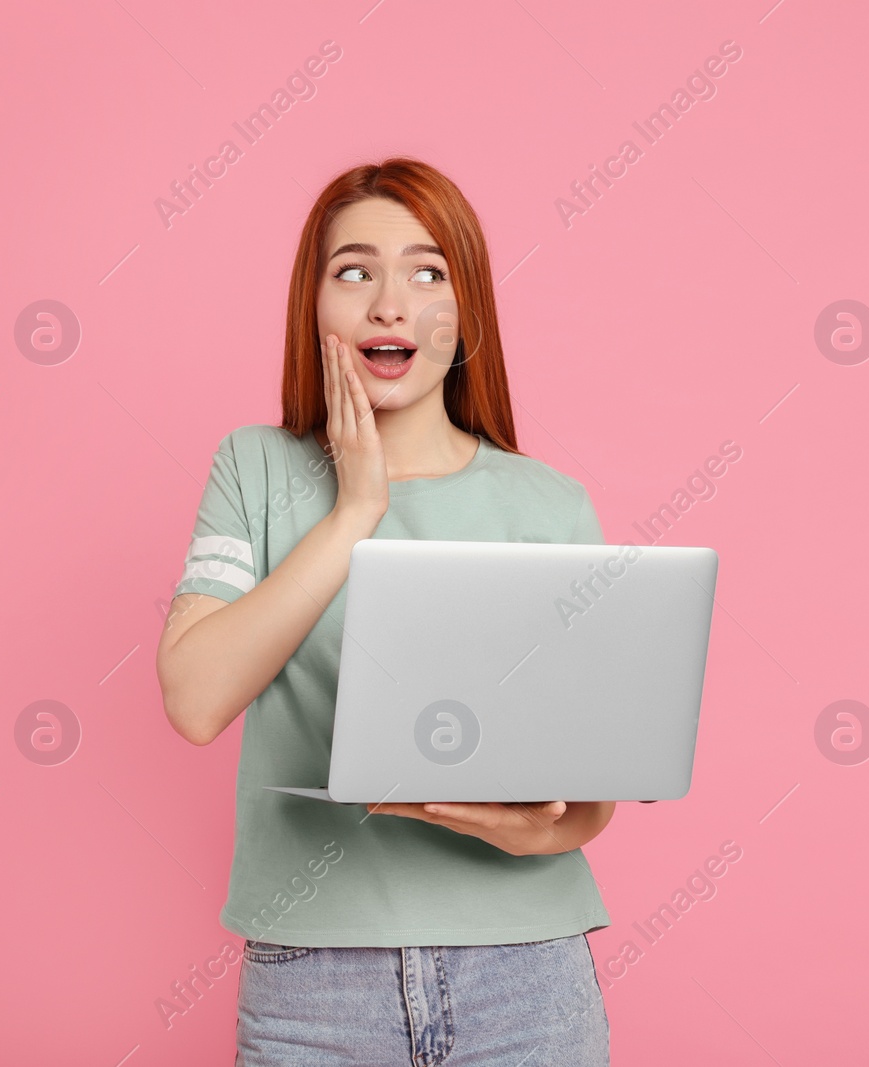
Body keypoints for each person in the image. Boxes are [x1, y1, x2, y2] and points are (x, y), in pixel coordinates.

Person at [155, 158, 614, 1064]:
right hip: (313, 983)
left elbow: (588, 798)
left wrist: (533, 829)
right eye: (354, 271)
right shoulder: (254, 469)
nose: (390, 305)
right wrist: (354, 511)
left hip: (526, 975)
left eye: (428, 271)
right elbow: (196, 699)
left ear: (465, 310)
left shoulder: (551, 504)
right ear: (312, 303)